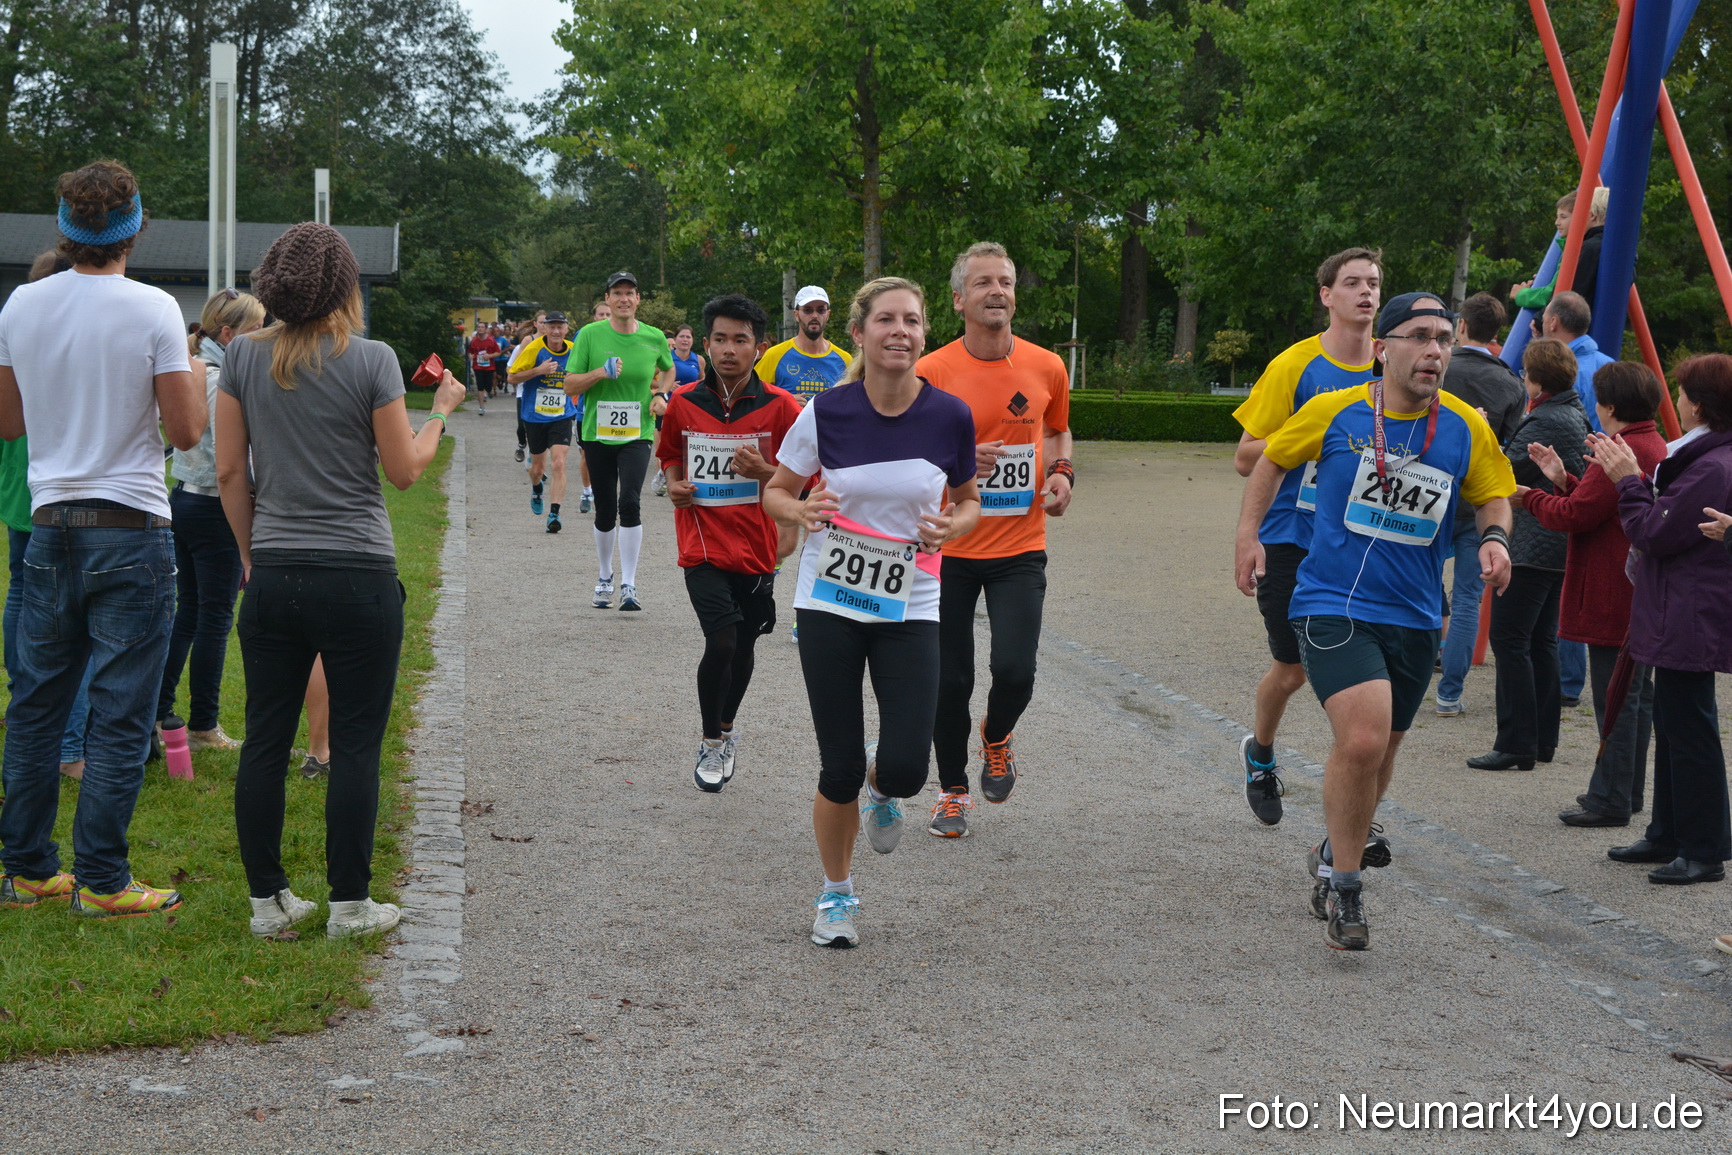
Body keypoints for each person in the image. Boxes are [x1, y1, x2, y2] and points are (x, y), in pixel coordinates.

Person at [1234, 292, 1516, 950]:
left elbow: (1492, 492)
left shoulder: (1465, 425)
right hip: (1333, 601)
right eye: (1420, 336)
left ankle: (1337, 844)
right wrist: (1250, 536)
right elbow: (1269, 459)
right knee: (1361, 741)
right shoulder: (1336, 410)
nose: (1435, 350)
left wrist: (1497, 537)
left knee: (1383, 750)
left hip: (1417, 613)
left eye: (1444, 338)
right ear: (1384, 348)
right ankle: (1346, 884)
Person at [217, 222, 465, 938]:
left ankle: (268, 902)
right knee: (355, 742)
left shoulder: (240, 360)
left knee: (265, 739)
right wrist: (440, 415)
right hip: (358, 572)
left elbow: (232, 471)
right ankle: (351, 903)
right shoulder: (373, 360)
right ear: (346, 289)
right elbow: (404, 469)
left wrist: (251, 553)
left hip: (275, 570)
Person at [0, 159, 205, 916]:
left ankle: (25, 869)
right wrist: (189, 366)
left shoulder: (20, 305)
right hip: (131, 528)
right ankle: (104, 879)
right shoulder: (152, 308)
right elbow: (186, 433)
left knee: (37, 707)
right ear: (135, 226)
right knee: (120, 712)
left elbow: (8, 421)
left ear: (62, 226)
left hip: (49, 526)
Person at [763, 277, 980, 948]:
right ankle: (836, 895)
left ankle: (882, 785)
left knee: (912, 766)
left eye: (911, 321)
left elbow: (970, 500)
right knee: (836, 764)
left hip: (911, 602)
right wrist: (798, 511)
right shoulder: (826, 413)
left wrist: (954, 527)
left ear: (923, 332)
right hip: (830, 598)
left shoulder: (949, 416)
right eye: (885, 319)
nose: (899, 331)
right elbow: (776, 489)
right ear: (858, 333)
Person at [916, 242, 1073, 838]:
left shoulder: (1046, 366)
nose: (996, 291)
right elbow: (903, 452)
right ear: (959, 299)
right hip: (949, 548)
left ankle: (998, 735)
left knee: (1015, 671)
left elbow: (1057, 430)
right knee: (949, 681)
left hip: (1019, 548)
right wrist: (954, 460)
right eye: (982, 282)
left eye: (1004, 281)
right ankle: (953, 790)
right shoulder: (931, 372)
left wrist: (1061, 474)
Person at [1230, 247, 1382, 825]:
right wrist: (1315, 436)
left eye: (1373, 283)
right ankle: (1260, 752)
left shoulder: (1392, 364)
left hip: (1365, 537)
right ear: (1327, 296)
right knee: (1293, 670)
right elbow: (1246, 457)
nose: (1365, 293)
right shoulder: (1295, 366)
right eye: (1352, 283)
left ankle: (1358, 789)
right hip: (1293, 537)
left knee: (1366, 674)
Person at [1596, 354, 1732, 887]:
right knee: (1676, 725)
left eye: (1683, 392)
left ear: (1699, 403)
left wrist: (1629, 480)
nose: (1675, 400)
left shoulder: (1711, 466)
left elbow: (1652, 532)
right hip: (1680, 607)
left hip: (1688, 611)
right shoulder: (1706, 457)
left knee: (1690, 728)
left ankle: (1702, 847)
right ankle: (1669, 832)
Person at [657, 295, 801, 791]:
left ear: (759, 348)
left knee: (742, 645)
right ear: (706, 344)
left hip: (757, 549)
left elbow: (805, 478)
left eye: (740, 340)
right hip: (701, 545)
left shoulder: (782, 408)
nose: (729, 349)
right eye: (720, 339)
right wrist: (675, 485)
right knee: (720, 640)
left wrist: (766, 473)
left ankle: (727, 727)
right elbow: (670, 453)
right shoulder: (684, 401)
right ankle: (710, 742)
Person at [1520, 361, 1668, 825]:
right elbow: (1601, 505)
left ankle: (1610, 799)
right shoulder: (1652, 442)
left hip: (1611, 590)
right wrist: (1563, 479)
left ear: (1610, 405)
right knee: (1635, 698)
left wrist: (1528, 496)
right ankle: (1627, 791)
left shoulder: (1624, 448)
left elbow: (1576, 517)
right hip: (1636, 590)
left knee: (1616, 700)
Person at [1467, 339, 1590, 773]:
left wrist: (1481, 429)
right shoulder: (1571, 412)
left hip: (1532, 547)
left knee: (1511, 639)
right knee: (1540, 642)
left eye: (1525, 371)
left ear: (1537, 379)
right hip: (1555, 546)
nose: (1522, 377)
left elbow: (1504, 468)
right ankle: (1541, 739)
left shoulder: (1548, 418)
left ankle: (1516, 741)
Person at [156, 288, 266, 753]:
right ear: (229, 333)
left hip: (182, 501)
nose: (264, 338)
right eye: (257, 330)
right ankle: (202, 724)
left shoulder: (191, 369)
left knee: (188, 614)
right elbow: (232, 461)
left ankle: (159, 712)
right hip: (215, 506)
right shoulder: (223, 380)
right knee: (215, 620)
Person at [1, 251, 95, 784]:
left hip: (20, 491)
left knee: (22, 596)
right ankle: (68, 744)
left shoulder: (21, 332)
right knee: (69, 624)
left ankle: (24, 710)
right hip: (54, 494)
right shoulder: (67, 342)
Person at [1433, 292, 1527, 717]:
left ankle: (1411, 675)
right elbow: (1508, 449)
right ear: (1497, 333)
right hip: (1478, 502)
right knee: (1469, 597)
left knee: (1417, 582)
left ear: (1462, 328)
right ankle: (1449, 693)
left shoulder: (1437, 365)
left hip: (1429, 492)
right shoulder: (1511, 384)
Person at [562, 272, 675, 611]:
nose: (624, 299)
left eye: (630, 293)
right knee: (606, 507)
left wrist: (660, 392)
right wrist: (600, 372)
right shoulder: (590, 335)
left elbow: (668, 369)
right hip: (597, 433)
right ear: (607, 300)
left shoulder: (654, 337)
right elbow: (569, 385)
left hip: (637, 434)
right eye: (617, 293)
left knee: (630, 502)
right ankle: (604, 576)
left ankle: (629, 583)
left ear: (638, 299)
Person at [505, 310, 581, 533]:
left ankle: (554, 514)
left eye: (561, 327)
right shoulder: (534, 348)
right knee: (537, 469)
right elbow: (511, 377)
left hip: (562, 415)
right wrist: (538, 370)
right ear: (544, 328)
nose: (556, 331)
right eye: (552, 327)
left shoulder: (574, 350)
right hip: (535, 416)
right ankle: (537, 488)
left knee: (558, 463)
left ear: (566, 330)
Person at [1512, 187, 1609, 315]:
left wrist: (1522, 295)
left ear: (1591, 215)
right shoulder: (1604, 246)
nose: (1557, 222)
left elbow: (1560, 294)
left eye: (1563, 217)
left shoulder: (1586, 249)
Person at [756, 286, 853, 403]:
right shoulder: (774, 356)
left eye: (821, 310)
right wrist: (783, 402)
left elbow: (855, 403)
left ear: (828, 314)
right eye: (807, 310)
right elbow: (752, 398)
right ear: (796, 315)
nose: (814, 316)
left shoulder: (845, 360)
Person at [655, 323, 707, 498]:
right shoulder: (665, 357)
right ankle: (662, 476)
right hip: (668, 406)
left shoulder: (698, 360)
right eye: (682, 336)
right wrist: (666, 386)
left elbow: (703, 381)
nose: (685, 340)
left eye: (688, 337)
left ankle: (687, 477)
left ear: (693, 341)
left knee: (688, 443)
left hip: (690, 408)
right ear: (675, 340)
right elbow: (647, 378)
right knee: (666, 444)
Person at [466, 323, 501, 416]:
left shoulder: (491, 340)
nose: (480, 329)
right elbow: (469, 352)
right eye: (479, 327)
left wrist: (489, 356)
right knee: (480, 386)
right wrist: (470, 356)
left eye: (482, 327)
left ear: (485, 329)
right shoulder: (473, 341)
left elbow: (498, 352)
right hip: (478, 366)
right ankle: (481, 407)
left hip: (489, 367)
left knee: (488, 386)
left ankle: (488, 391)